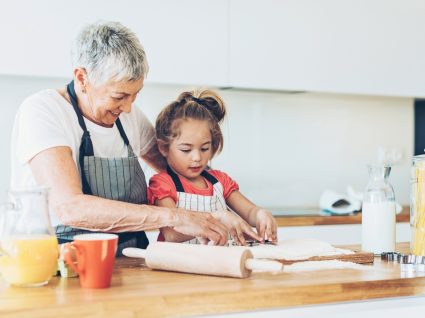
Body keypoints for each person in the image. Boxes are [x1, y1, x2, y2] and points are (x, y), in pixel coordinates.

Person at [10, 21, 239, 252]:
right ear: (82, 78)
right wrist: (174, 217)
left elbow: (182, 168)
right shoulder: (44, 111)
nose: (128, 108)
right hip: (63, 262)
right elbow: (70, 208)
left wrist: (222, 213)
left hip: (130, 259)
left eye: (135, 95)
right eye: (119, 96)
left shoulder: (127, 116)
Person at [148, 88, 278, 245]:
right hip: (180, 266)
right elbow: (171, 234)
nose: (197, 158)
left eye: (204, 148)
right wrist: (218, 217)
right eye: (186, 150)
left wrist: (261, 214)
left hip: (220, 265)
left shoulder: (220, 181)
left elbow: (250, 211)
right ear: (163, 147)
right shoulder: (163, 184)